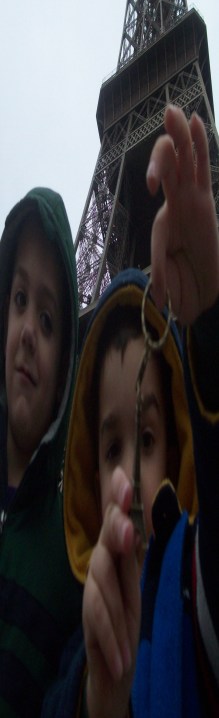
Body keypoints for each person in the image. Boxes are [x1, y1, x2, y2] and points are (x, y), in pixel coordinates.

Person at [45, 104, 219, 717]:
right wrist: (99, 697)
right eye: (109, 448)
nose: (124, 480)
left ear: (179, 446)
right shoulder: (73, 664)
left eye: (146, 439)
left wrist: (210, 324)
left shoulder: (201, 584)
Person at [0, 186, 82, 717]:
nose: (29, 331)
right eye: (19, 300)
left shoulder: (69, 558)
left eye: (50, 322)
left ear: (64, 384)